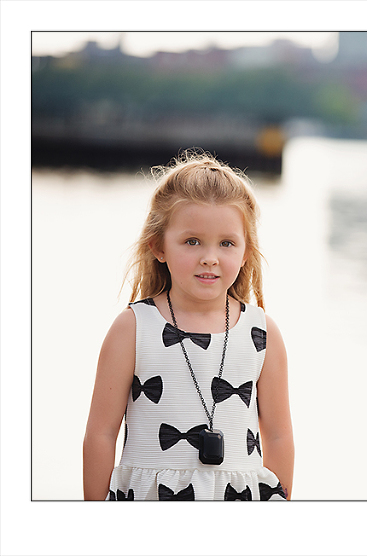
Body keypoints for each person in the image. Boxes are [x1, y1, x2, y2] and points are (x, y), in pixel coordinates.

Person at [83, 151, 294, 500]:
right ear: (159, 246)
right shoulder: (132, 328)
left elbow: (278, 436)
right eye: (192, 241)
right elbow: (101, 434)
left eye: (226, 243)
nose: (209, 257)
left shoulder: (262, 333)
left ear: (245, 252)